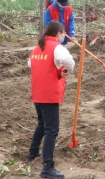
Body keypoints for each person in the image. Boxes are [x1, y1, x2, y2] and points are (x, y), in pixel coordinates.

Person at [27, 21, 75, 179]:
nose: (63, 36)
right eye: (63, 34)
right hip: (49, 95)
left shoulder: (36, 49)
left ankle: (33, 153)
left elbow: (31, 64)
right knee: (51, 130)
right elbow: (70, 61)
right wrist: (67, 69)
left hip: (38, 93)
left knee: (42, 124)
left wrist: (59, 70)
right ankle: (47, 166)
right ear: (58, 34)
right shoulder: (57, 48)